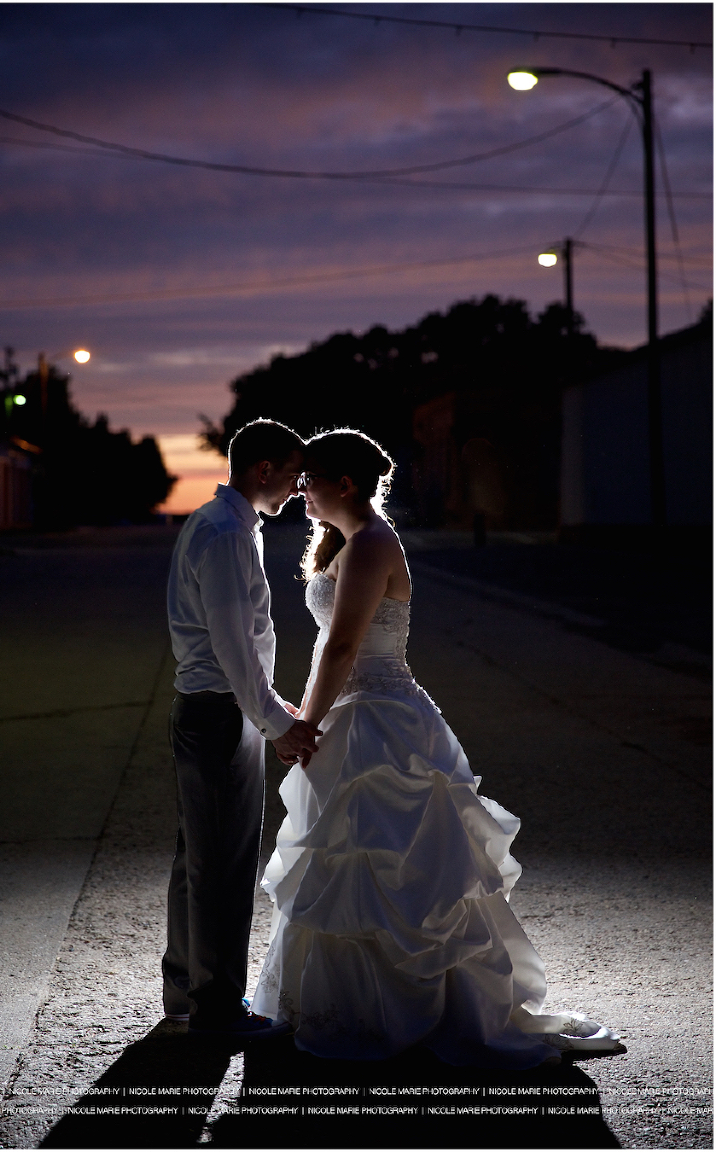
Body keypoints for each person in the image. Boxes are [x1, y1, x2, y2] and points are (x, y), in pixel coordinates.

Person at [252, 428, 622, 1065]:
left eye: (311, 476)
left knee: (398, 865)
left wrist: (305, 725)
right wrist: (310, 714)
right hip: (356, 709)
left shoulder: (371, 543)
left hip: (381, 717)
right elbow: (329, 648)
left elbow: (342, 647)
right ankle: (349, 1002)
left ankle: (408, 1010)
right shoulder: (348, 543)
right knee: (348, 865)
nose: (301, 488)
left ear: (345, 483)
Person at [164, 418, 321, 1038]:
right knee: (222, 865)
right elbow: (235, 650)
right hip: (220, 711)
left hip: (209, 709)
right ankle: (217, 1009)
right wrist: (278, 723)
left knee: (199, 859)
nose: (294, 487)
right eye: (291, 474)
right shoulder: (228, 533)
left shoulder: (222, 524)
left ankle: (187, 992)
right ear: (262, 470)